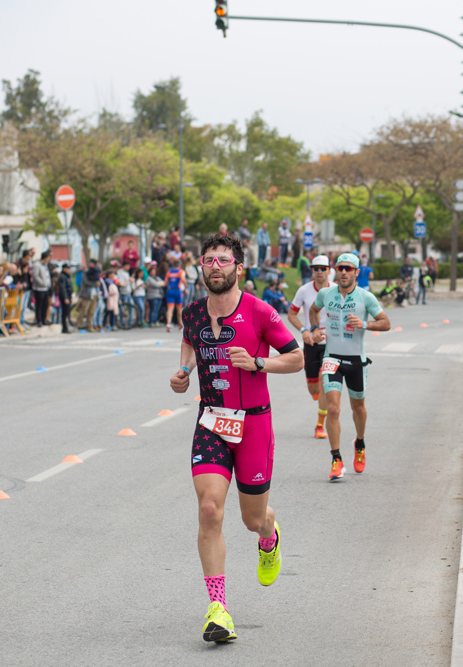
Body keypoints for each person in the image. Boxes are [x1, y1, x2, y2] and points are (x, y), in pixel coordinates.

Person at [169, 233, 303, 643]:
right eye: (207, 261)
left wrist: (260, 362)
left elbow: (296, 358)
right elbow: (189, 342)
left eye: (222, 261)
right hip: (211, 420)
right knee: (209, 509)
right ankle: (218, 609)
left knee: (251, 519)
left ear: (238, 268)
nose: (214, 267)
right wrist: (183, 372)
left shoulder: (261, 311)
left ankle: (269, 533)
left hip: (254, 424)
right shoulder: (192, 313)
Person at [309, 252, 391, 481]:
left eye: (348, 269)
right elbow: (313, 310)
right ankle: (336, 460)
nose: (343, 272)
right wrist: (315, 329)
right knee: (333, 409)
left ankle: (360, 442)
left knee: (358, 408)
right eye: (340, 268)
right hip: (332, 358)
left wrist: (365, 323)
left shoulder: (366, 297)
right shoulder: (326, 294)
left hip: (356, 360)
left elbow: (386, 323)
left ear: (356, 272)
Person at [287, 254, 332, 439]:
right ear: (312, 271)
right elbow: (291, 314)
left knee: (325, 379)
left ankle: (320, 425)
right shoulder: (304, 290)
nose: (319, 272)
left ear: (329, 270)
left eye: (323, 269)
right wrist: (304, 330)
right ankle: (318, 395)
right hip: (311, 343)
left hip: (331, 343)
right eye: (316, 269)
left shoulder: (337, 290)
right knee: (314, 388)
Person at [75, 259, 100, 332]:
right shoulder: (86, 272)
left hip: (94, 294)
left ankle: (89, 326)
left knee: (92, 312)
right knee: (83, 311)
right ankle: (77, 325)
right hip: (86, 295)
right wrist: (95, 284)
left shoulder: (96, 272)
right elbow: (86, 282)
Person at [165, 259, 186, 333]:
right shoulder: (181, 271)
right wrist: (186, 288)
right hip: (177, 290)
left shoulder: (169, 272)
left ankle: (168, 324)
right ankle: (180, 325)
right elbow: (183, 279)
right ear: (179, 265)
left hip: (170, 290)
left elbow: (166, 283)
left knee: (170, 309)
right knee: (179, 309)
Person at [145, 263, 165, 327]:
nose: (153, 273)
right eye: (152, 271)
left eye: (154, 271)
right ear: (149, 272)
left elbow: (164, 283)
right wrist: (159, 283)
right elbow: (156, 285)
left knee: (157, 310)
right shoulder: (149, 278)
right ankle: (151, 322)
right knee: (153, 309)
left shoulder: (157, 277)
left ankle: (155, 321)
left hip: (159, 295)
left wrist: (159, 283)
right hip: (152, 296)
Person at [56, 263, 74, 333]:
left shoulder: (67, 276)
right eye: (68, 269)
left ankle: (66, 327)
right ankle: (65, 328)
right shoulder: (62, 277)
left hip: (68, 296)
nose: (69, 270)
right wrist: (65, 298)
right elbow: (63, 288)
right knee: (65, 313)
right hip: (65, 297)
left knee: (68, 313)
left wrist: (70, 297)